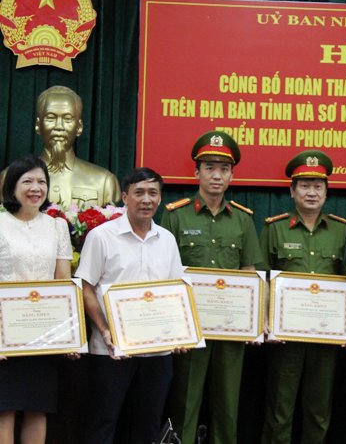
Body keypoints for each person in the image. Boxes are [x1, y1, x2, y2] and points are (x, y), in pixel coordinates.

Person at [163, 130, 263, 444]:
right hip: (190, 327)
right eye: (209, 168)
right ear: (197, 172)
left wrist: (251, 323)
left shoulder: (243, 220)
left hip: (231, 328)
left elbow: (249, 272)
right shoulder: (175, 215)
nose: (217, 175)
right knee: (185, 401)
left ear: (232, 175)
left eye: (224, 169)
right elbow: (166, 273)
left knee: (228, 404)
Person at [75, 167, 184, 444]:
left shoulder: (167, 239)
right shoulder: (101, 236)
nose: (146, 200)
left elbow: (175, 292)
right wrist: (104, 329)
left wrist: (182, 333)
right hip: (111, 350)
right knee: (103, 422)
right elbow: (86, 288)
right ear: (125, 197)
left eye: (153, 193)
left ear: (160, 198)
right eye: (139, 193)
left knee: (147, 425)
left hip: (157, 352)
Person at [260, 150, 346, 444]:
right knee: (280, 408)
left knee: (319, 410)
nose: (311, 193)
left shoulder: (342, 231)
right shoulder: (274, 228)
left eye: (317, 186)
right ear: (292, 191)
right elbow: (261, 279)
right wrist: (263, 320)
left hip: (326, 336)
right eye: (304, 186)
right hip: (284, 336)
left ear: (326, 192)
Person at [0, 155, 72, 444]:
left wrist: (69, 335)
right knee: (4, 410)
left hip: (44, 332)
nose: (35, 188)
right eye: (27, 181)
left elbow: (63, 282)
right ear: (12, 186)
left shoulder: (57, 227)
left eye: (41, 182)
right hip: (5, 332)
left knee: (37, 408)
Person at [1, 86, 120, 205]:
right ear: (38, 125)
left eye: (67, 119)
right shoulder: (9, 178)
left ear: (79, 127)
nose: (59, 126)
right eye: (50, 118)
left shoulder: (104, 181)